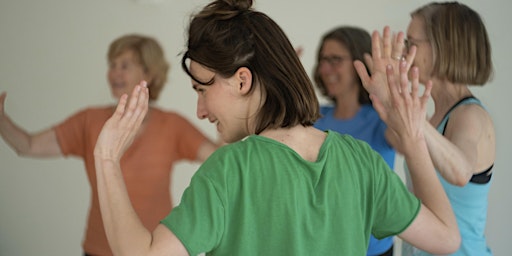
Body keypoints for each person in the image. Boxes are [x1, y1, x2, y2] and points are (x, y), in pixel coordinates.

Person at [93, 0, 460, 255]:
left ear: (241, 81)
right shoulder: (360, 161)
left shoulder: (229, 170)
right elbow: (446, 238)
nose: (201, 110)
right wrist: (412, 136)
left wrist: (107, 158)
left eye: (203, 90)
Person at [0, 34, 219, 256]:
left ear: (149, 74)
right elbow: (27, 146)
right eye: (112, 65)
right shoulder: (90, 121)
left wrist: (224, 107)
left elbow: (219, 157)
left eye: (125, 66)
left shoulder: (172, 125)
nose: (115, 72)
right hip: (99, 250)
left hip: (155, 250)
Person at [387, 2, 495, 255]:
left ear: (443, 47)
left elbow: (460, 172)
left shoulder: (471, 115)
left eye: (411, 44)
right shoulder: (433, 117)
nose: (404, 53)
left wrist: (413, 117)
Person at [313, 26, 396, 256]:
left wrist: (393, 94)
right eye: (322, 60)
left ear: (360, 62)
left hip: (373, 249)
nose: (325, 68)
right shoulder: (315, 117)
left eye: (335, 59)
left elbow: (412, 141)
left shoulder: (381, 120)